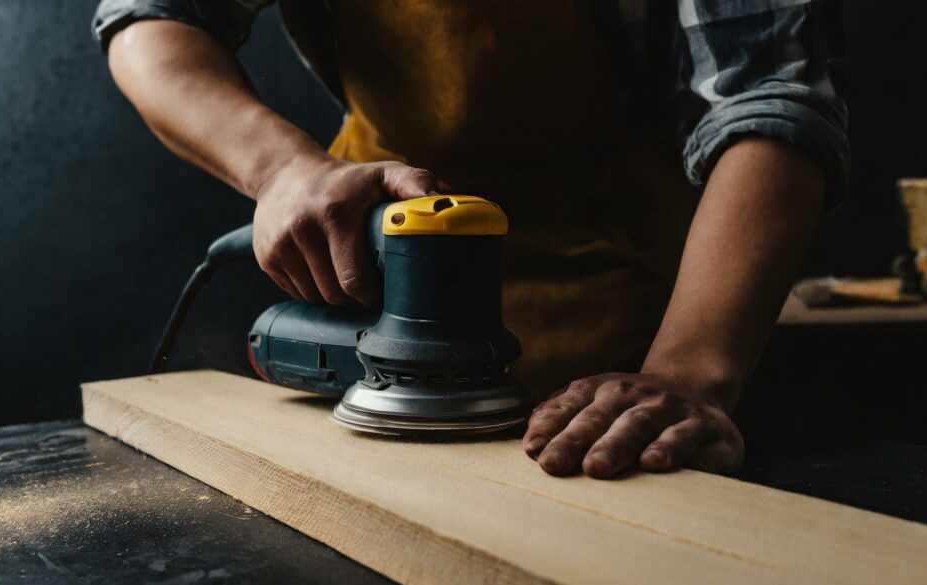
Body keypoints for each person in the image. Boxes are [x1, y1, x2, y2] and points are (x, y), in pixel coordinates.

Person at [93, 0, 848, 478]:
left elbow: (769, 94)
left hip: (639, 291)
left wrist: (688, 374)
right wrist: (282, 168)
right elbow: (150, 19)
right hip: (375, 250)